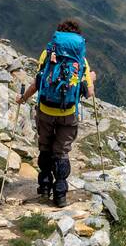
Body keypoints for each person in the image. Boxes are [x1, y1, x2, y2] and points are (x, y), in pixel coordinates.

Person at [17, 18, 95, 207]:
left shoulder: (47, 54)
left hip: (45, 109)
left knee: (45, 147)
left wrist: (23, 99)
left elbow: (38, 82)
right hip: (68, 112)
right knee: (61, 151)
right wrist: (91, 78)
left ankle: (44, 187)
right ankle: (60, 194)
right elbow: (89, 92)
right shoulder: (81, 60)